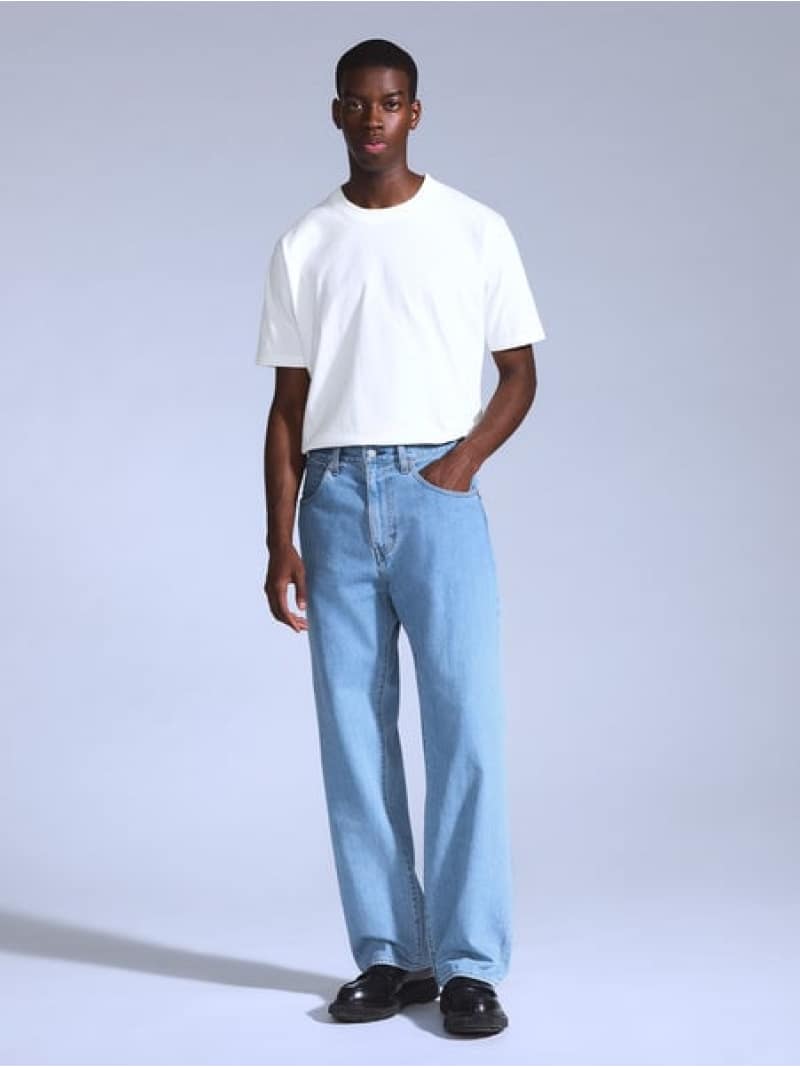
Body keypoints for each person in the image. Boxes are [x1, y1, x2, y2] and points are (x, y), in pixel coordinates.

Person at [255, 37, 546, 1038]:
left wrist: (457, 467)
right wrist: (279, 538)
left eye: (390, 102)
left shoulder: (473, 228)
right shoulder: (305, 242)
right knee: (351, 733)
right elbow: (287, 407)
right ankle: (390, 954)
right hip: (333, 496)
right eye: (356, 102)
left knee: (464, 726)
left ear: (413, 112)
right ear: (335, 112)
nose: (372, 118)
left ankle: (466, 964)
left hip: (435, 495)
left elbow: (519, 373)